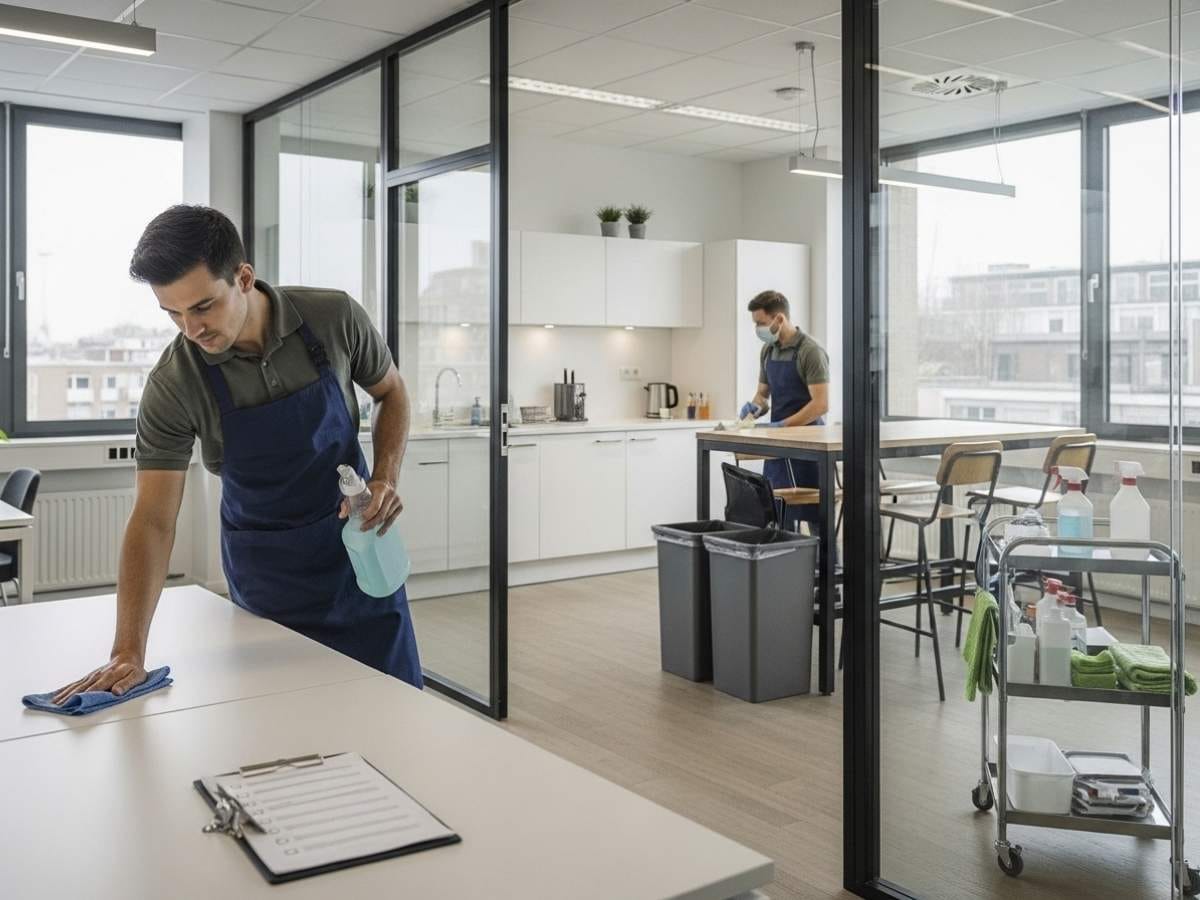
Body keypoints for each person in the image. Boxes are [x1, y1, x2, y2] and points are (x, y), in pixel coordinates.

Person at [52, 205, 421, 705]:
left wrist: (384, 477)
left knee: (397, 717)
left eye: (202, 306)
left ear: (243, 278)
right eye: (172, 313)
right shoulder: (175, 383)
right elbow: (153, 520)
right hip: (269, 584)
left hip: (362, 563)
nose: (190, 328)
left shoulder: (332, 317)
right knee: (284, 735)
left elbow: (391, 392)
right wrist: (128, 651)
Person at [738, 290, 831, 530]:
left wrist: (785, 425)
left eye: (760, 323)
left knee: (816, 519)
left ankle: (829, 567)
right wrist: (755, 409)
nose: (757, 329)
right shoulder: (768, 351)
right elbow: (763, 394)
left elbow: (821, 404)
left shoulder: (810, 352)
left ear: (779, 319)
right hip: (778, 448)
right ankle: (786, 566)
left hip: (810, 447)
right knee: (779, 514)